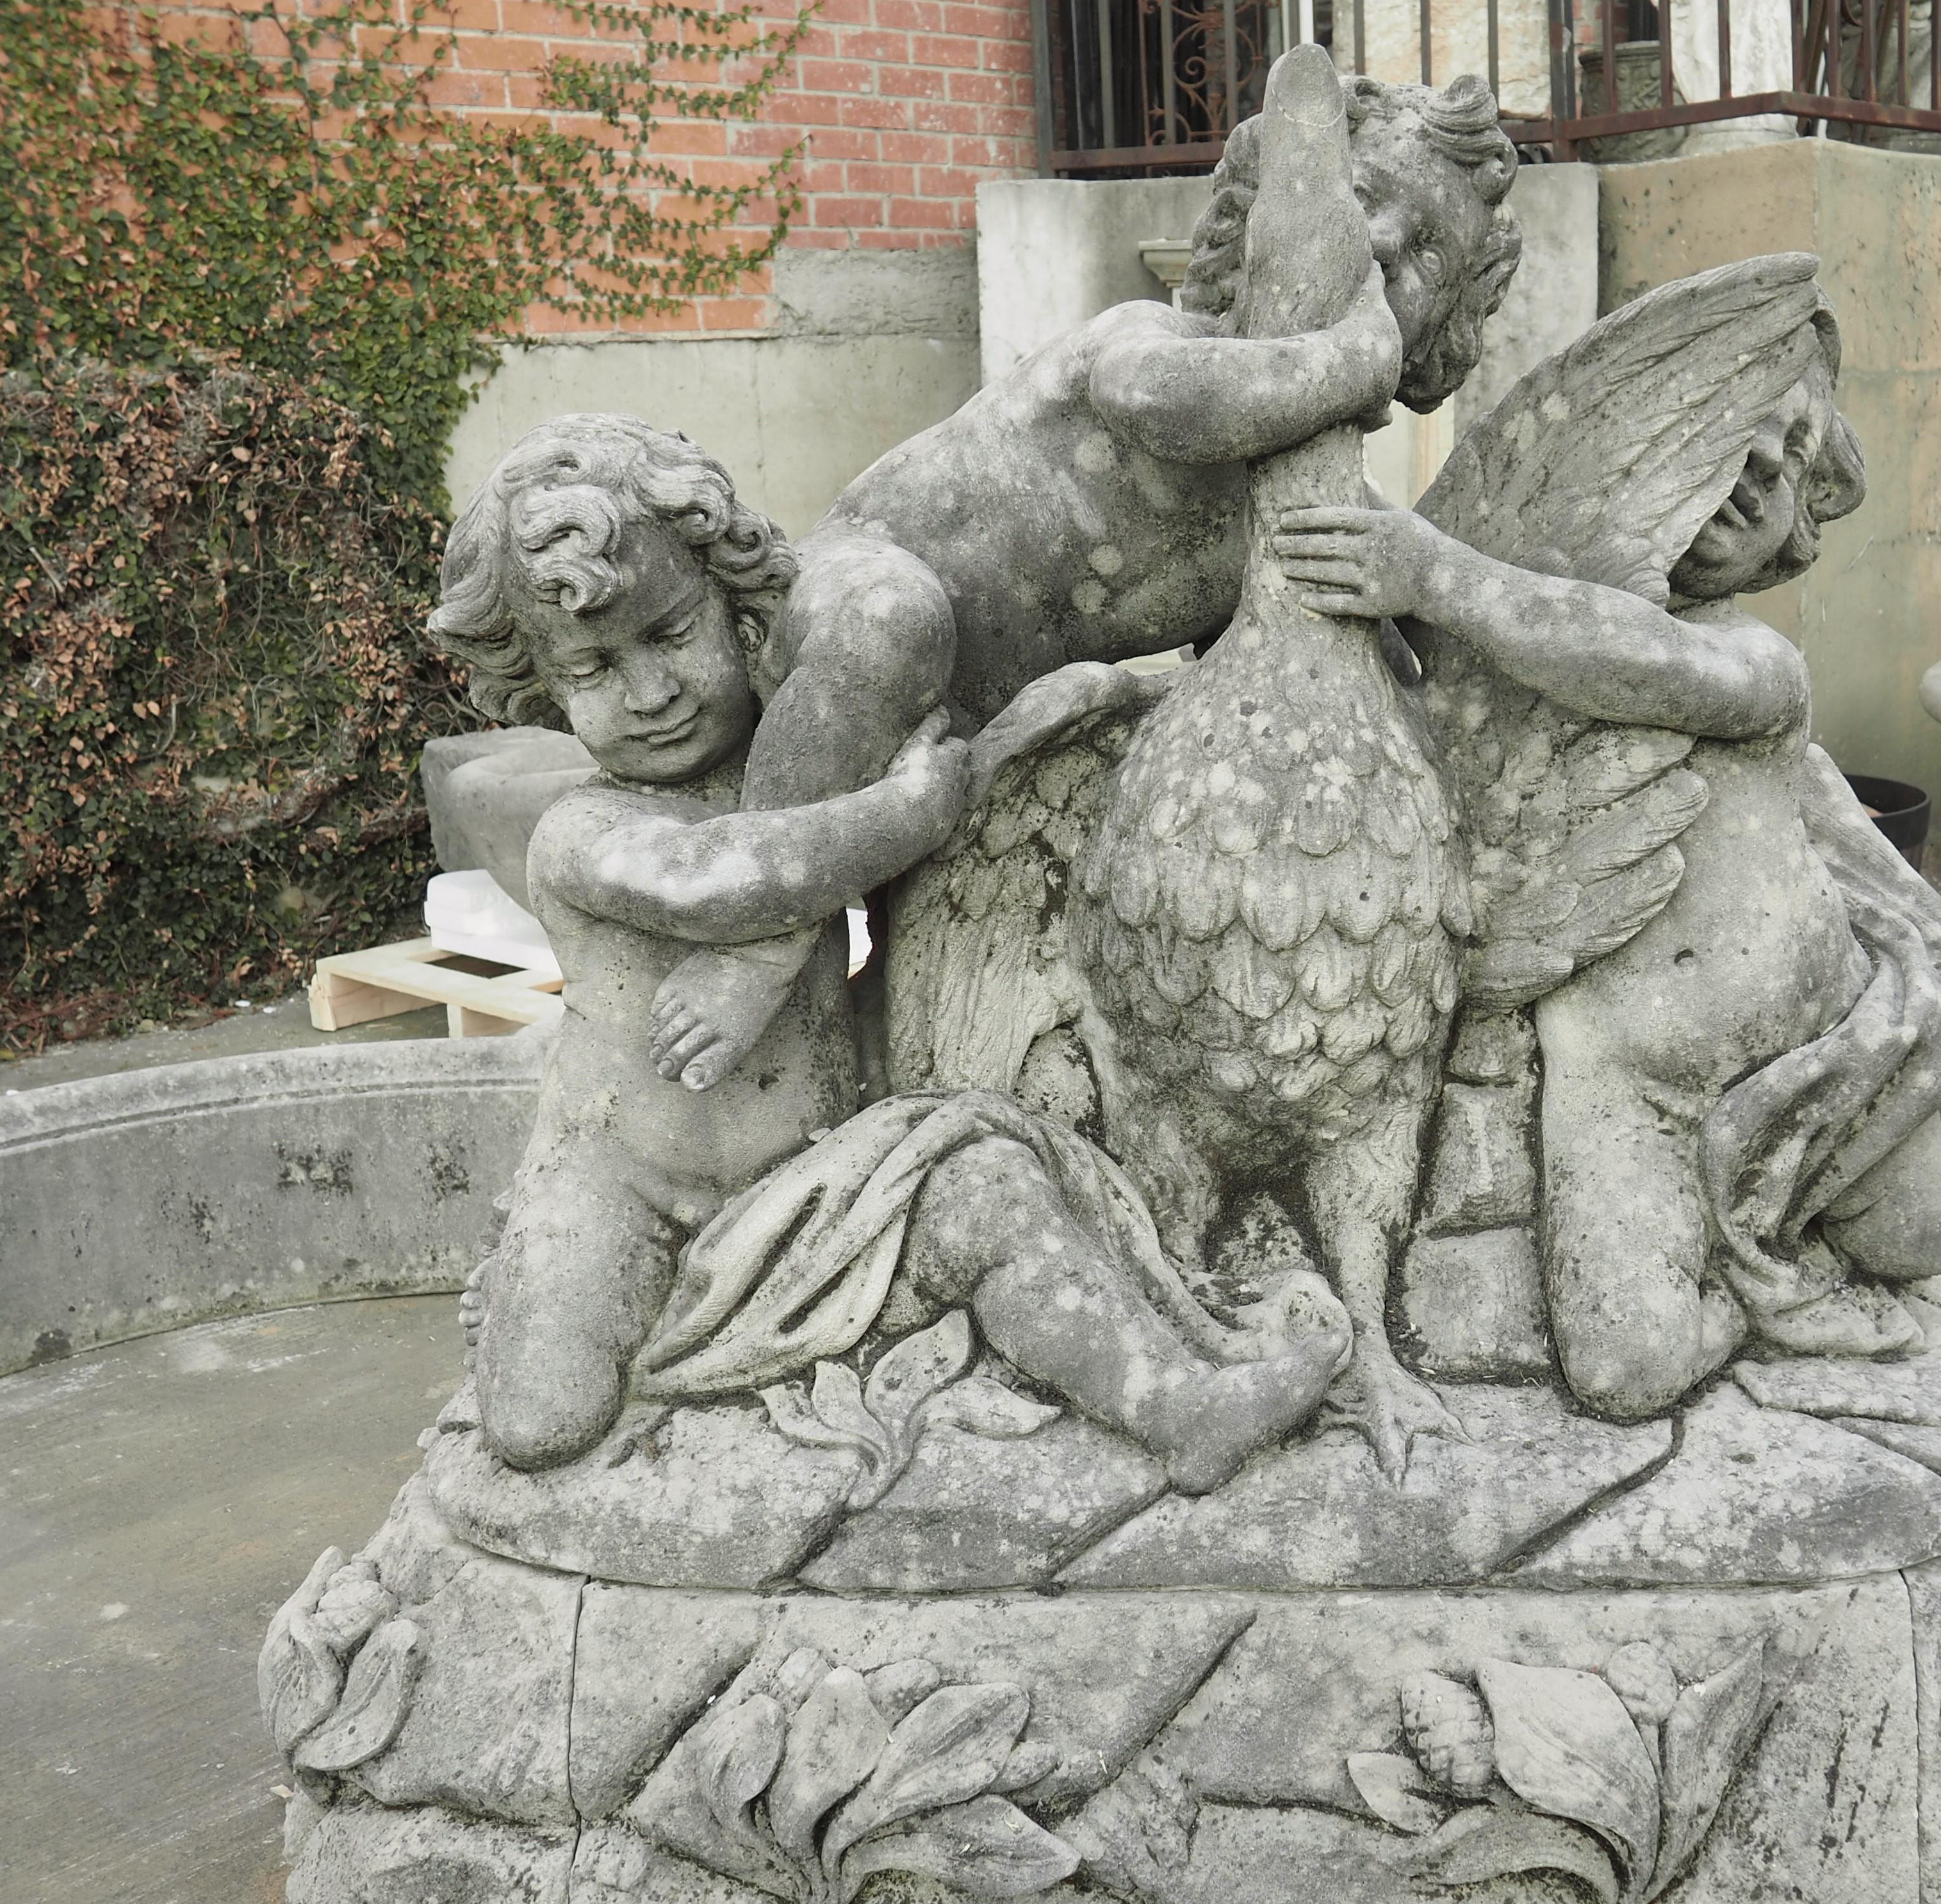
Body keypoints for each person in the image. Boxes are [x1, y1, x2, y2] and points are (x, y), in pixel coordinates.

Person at [430, 414, 1345, 1481]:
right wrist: (909, 811)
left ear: (737, 603)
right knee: (539, 1429)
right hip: (620, 1187)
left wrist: (1090, 698)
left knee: (991, 1189)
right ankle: (538, 1290)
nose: (652, 692)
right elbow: (725, 879)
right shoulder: (582, 835)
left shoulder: (809, 767)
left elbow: (957, 802)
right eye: (593, 668)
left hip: (819, 1192)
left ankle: (1182, 1409)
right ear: (540, 689)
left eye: (674, 636)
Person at [651, 64, 1528, 1075]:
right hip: (868, 594)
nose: (1380, 245)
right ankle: (758, 930)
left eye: (1426, 252)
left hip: (977, 744)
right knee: (891, 625)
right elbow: (1175, 405)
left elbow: (1407, 642)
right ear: (1251, 220)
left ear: (1440, 332)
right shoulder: (1148, 339)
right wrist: (1352, 359)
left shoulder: (1303, 514)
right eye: (1364, 199)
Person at [1270, 277, 1941, 1419]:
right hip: (1627, 1079)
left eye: (1786, 454)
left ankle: (1774, 1267)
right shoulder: (1534, 645)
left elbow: (1665, 679)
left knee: (1919, 1239)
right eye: (1728, 443)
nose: (1752, 471)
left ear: (1804, 512)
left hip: (1829, 1041)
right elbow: (1454, 703)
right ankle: (1756, 1288)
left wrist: (1436, 575)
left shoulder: (1752, 665)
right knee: (1625, 1373)